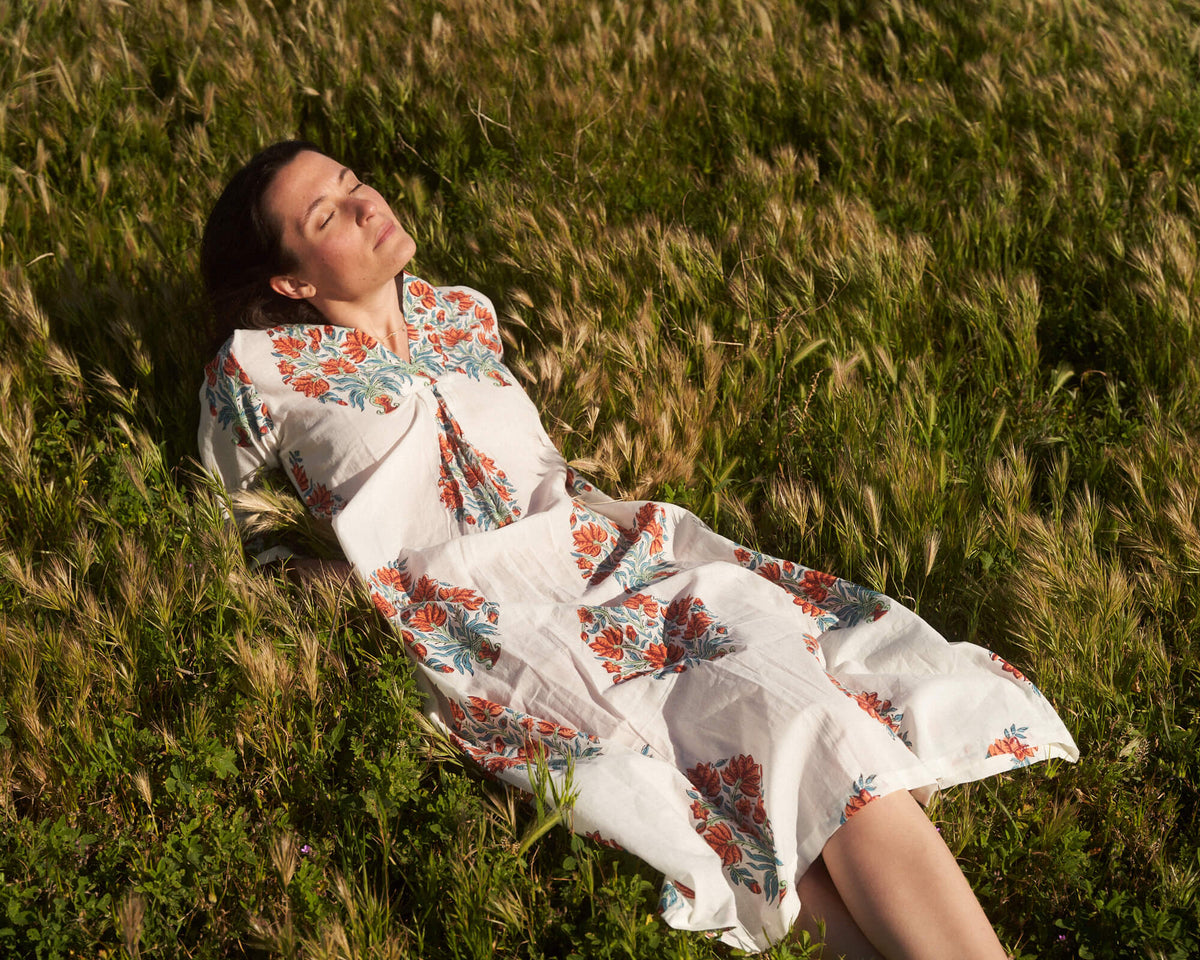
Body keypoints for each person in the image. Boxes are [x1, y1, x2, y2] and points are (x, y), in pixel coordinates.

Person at [198, 140, 1079, 958]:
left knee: (802, 711)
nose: (361, 206)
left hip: (611, 559)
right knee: (722, 790)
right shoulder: (253, 375)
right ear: (288, 283)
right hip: (486, 620)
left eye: (353, 184)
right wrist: (323, 588)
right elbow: (244, 524)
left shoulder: (461, 315)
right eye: (324, 217)